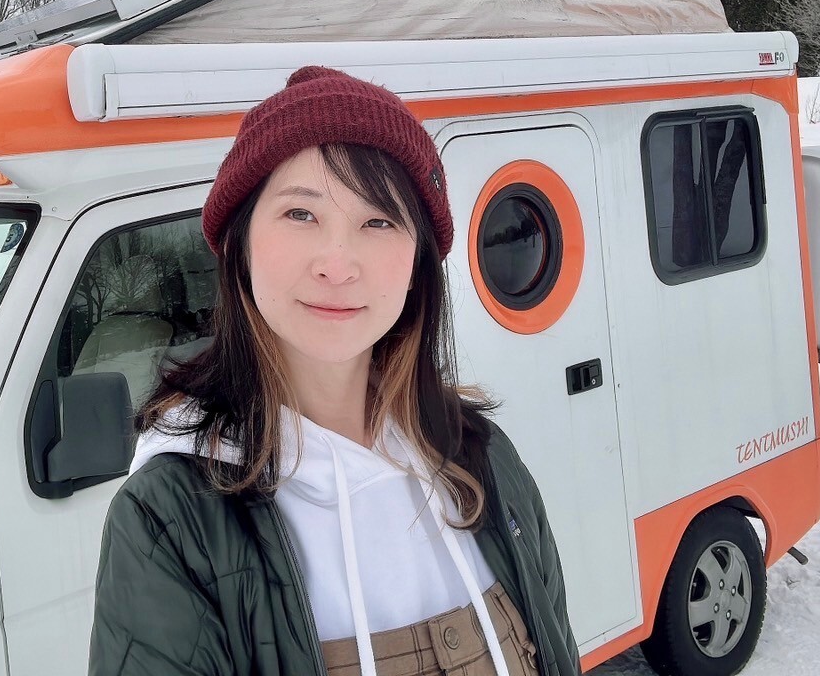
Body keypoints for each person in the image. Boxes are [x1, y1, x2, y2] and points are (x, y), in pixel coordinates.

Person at [89, 66, 583, 676]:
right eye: (301, 214)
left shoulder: (480, 457)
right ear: (241, 244)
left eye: (378, 221)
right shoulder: (171, 519)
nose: (338, 264)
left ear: (417, 263)